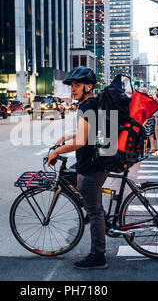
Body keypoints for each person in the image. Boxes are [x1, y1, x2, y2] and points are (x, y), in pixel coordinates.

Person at [47, 66, 109, 270]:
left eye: (77, 85)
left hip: (91, 166)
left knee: (94, 211)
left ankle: (98, 256)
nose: (73, 89)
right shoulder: (92, 103)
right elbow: (89, 134)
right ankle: (95, 219)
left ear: (89, 87)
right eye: (72, 85)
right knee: (89, 201)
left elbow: (83, 140)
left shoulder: (87, 107)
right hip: (94, 162)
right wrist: (67, 138)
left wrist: (57, 151)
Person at [140, 87, 157, 154]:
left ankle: (146, 148)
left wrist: (143, 123)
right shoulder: (149, 100)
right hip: (149, 119)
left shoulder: (145, 100)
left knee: (146, 135)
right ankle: (151, 148)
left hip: (147, 119)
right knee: (149, 135)